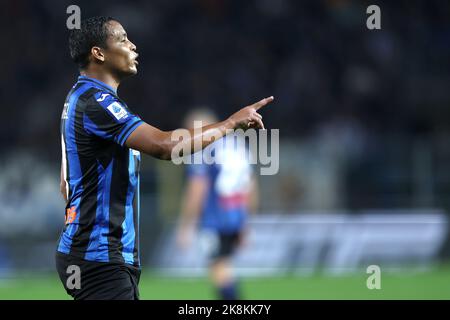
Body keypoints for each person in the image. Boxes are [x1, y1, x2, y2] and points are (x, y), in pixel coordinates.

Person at [56, 16, 273, 300]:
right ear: (98, 53)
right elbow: (165, 146)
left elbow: (66, 183)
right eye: (122, 39)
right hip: (100, 259)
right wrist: (231, 123)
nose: (133, 46)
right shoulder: (97, 102)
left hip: (94, 255)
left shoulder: (82, 99)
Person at [176, 109, 258, 300]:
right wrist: (245, 222)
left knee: (218, 269)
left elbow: (197, 188)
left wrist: (186, 226)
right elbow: (250, 185)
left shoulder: (203, 147)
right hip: (235, 215)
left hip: (214, 219)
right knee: (225, 266)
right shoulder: (237, 145)